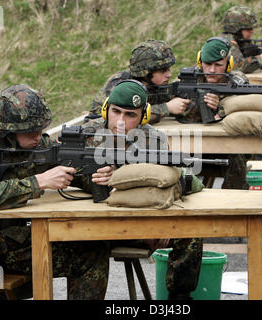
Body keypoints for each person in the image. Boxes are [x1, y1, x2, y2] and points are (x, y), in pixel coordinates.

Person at [0, 84, 109, 300]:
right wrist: (39, 182)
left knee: (91, 253)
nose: (38, 135)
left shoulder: (41, 143)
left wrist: (98, 174)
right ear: (7, 130)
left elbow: (79, 173)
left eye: (40, 128)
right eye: (30, 131)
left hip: (13, 242)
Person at [83, 80, 203, 300]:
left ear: (143, 117)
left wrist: (163, 221)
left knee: (191, 230)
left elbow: (186, 183)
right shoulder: (85, 136)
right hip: (93, 226)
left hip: (140, 225)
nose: (120, 122)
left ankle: (179, 299)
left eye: (130, 115)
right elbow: (62, 178)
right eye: (115, 112)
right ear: (105, 109)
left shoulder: (154, 140)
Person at [180, 37, 250, 190]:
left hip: (225, 146)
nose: (212, 70)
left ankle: (233, 205)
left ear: (229, 65)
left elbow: (246, 112)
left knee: (237, 156)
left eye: (218, 65)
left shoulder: (237, 82)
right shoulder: (189, 80)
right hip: (192, 144)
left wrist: (222, 107)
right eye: (207, 64)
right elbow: (176, 109)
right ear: (200, 62)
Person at [85, 39, 191, 124]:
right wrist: (166, 108)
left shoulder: (156, 86)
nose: (169, 74)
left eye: (168, 69)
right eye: (163, 71)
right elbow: (105, 120)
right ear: (146, 72)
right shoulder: (121, 85)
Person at [219, 5, 262, 74]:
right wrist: (261, 58)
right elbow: (237, 67)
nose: (252, 31)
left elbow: (252, 52)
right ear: (236, 29)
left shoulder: (240, 40)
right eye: (248, 29)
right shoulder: (226, 42)